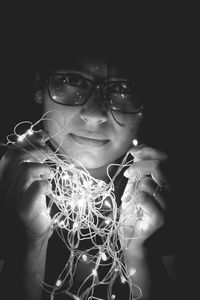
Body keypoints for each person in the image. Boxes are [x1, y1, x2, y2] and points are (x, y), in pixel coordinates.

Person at [0, 36, 179, 300]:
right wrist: (29, 243)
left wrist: (140, 252)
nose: (94, 114)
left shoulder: (177, 193)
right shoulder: (5, 185)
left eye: (123, 87)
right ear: (40, 84)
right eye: (73, 80)